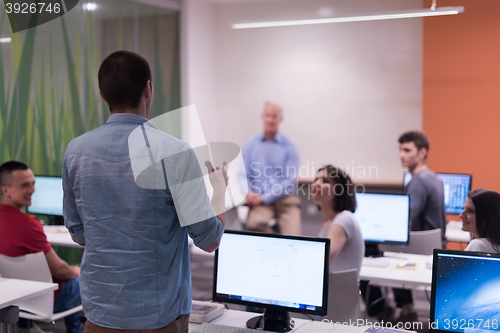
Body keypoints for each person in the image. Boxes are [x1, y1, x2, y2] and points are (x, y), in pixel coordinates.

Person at [62, 50, 226, 333]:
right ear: (148, 88)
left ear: (102, 94)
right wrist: (220, 191)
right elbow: (210, 240)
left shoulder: (76, 151)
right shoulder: (175, 152)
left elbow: (79, 235)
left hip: (99, 313)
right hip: (158, 317)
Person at [0, 161, 82, 333]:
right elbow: (60, 271)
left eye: (33, 183)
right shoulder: (27, 224)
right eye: (25, 185)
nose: (33, 190)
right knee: (85, 278)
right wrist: (77, 271)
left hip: (14, 296)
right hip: (47, 297)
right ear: (5, 190)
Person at [241, 102, 301, 236]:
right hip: (260, 200)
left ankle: (282, 245)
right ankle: (275, 245)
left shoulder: (290, 146)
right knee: (254, 224)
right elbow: (243, 174)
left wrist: (264, 198)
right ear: (263, 117)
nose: (270, 120)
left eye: (274, 116)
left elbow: (290, 181)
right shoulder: (251, 145)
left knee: (294, 237)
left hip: (285, 201)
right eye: (268, 115)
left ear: (280, 119)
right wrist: (248, 192)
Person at [311, 165, 364, 278]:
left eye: (325, 181)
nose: (316, 184)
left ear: (339, 190)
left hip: (341, 295)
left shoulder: (344, 219)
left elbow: (320, 261)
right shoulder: (330, 220)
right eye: (316, 179)